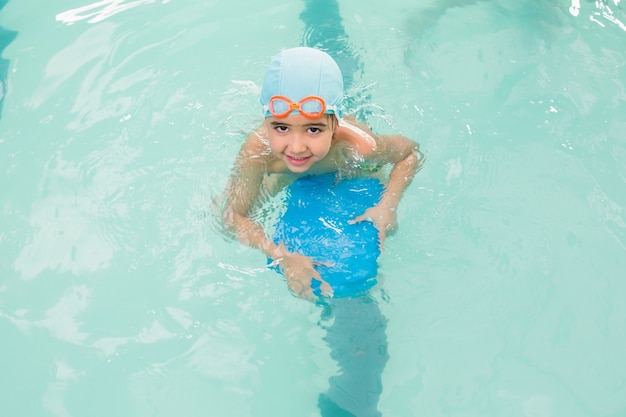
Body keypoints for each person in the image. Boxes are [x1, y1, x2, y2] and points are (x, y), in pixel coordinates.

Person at [222, 46, 422, 300]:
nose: (296, 146)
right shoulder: (258, 150)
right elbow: (232, 217)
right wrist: (280, 255)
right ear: (266, 123)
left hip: (350, 169)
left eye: (313, 130)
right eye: (281, 127)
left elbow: (410, 153)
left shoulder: (360, 146)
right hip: (282, 172)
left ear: (335, 125)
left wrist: (388, 206)